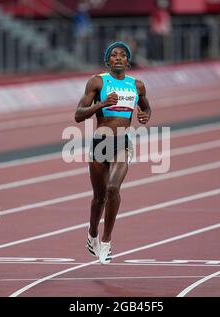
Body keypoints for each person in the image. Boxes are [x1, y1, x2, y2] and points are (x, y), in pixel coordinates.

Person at [74, 42, 151, 264]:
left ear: (128, 61)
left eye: (123, 55)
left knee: (112, 188)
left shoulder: (137, 85)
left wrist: (146, 116)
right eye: (114, 55)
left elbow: (146, 107)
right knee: (98, 198)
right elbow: (78, 115)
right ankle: (92, 233)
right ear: (107, 61)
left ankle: (106, 242)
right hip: (100, 141)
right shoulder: (97, 82)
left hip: (122, 142)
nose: (118, 58)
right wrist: (102, 104)